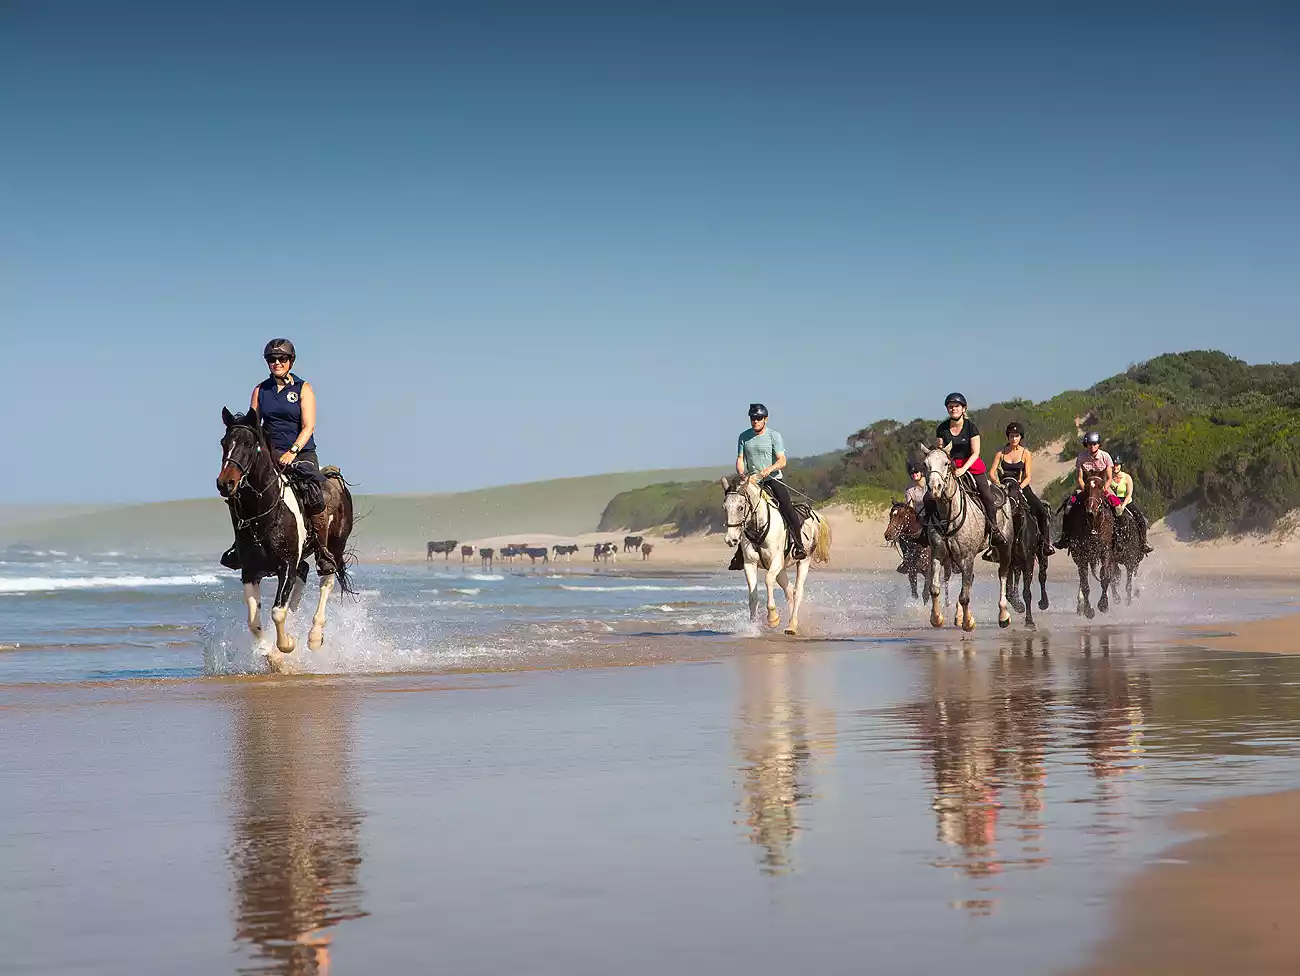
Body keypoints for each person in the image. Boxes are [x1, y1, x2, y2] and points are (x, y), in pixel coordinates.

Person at [220, 339, 336, 574]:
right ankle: (240, 545)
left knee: (314, 492)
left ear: (290, 361)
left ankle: (322, 551)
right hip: (270, 453)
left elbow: (308, 426)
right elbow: (253, 425)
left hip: (301, 452)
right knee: (240, 493)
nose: (277, 363)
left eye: (282, 359)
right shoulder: (260, 390)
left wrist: (293, 451)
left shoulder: (303, 389)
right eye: (272, 359)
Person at [729, 403, 806, 570]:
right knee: (740, 511)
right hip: (752, 481)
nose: (755, 421)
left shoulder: (774, 436)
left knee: (787, 509)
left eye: (759, 418)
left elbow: (782, 460)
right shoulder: (743, 437)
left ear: (766, 419)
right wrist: (741, 472)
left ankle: (799, 545)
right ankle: (740, 554)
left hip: (772, 479)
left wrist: (769, 469)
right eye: (753, 418)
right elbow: (740, 458)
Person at [935, 392, 1007, 550]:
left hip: (970, 465)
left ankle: (994, 530)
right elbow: (941, 453)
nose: (953, 409)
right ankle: (929, 529)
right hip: (950, 467)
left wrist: (963, 469)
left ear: (963, 408)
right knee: (931, 495)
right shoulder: (941, 429)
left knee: (987, 495)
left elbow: (975, 453)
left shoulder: (971, 427)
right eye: (950, 406)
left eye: (957, 406)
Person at [992, 422, 1055, 557]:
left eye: (1016, 436)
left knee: (1042, 511)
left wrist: (1019, 488)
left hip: (1021, 487)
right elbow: (992, 473)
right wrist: (998, 485)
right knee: (991, 511)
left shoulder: (1026, 453)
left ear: (1021, 437)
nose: (1014, 438)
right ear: (1007, 437)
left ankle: (1044, 544)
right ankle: (993, 547)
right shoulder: (1000, 453)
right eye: (1011, 436)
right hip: (1004, 488)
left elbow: (1028, 476)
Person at [1054, 431, 1113, 550]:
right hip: (1086, 488)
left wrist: (1103, 489)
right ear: (1086, 445)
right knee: (1069, 507)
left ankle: (1119, 537)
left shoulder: (1105, 456)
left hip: (1102, 488)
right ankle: (1065, 538)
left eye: (1094, 444)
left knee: (1118, 507)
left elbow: (1109, 478)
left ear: (1099, 444)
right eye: (1089, 444)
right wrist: (1086, 490)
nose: (1092, 446)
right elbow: (1080, 479)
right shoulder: (1081, 457)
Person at [1109, 456, 1154, 553]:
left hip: (1126, 502)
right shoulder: (1109, 477)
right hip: (1112, 502)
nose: (1115, 467)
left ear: (1121, 466)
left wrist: (1123, 506)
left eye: (1117, 465)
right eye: (1114, 465)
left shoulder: (1127, 477)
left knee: (1140, 520)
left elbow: (1129, 494)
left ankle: (1143, 543)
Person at [896, 460, 927, 574]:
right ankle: (907, 559)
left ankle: (951, 557)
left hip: (931, 513)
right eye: (912, 473)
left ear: (921, 472)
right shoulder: (909, 487)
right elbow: (910, 505)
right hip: (917, 515)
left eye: (916, 472)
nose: (914, 475)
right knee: (902, 535)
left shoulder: (929, 483)